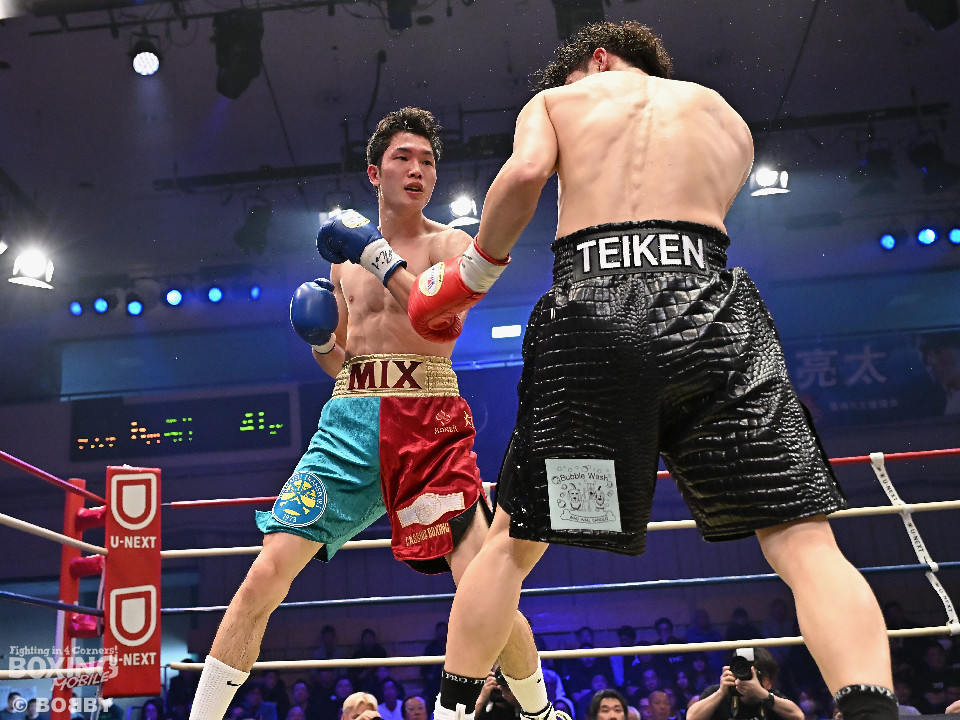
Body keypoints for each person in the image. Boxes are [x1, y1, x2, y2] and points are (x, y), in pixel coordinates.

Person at [406, 19, 898, 720]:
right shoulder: (727, 120)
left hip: (595, 320)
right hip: (714, 315)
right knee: (804, 541)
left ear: (598, 59)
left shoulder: (558, 102)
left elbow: (525, 175)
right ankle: (872, 710)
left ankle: (454, 713)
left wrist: (476, 270)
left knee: (514, 544)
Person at [187, 107, 558, 720]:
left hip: (429, 424)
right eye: (402, 158)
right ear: (373, 172)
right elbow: (347, 362)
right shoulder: (342, 263)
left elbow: (438, 322)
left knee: (481, 583)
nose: (417, 170)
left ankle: (541, 713)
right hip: (348, 424)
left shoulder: (451, 246)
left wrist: (378, 255)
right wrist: (319, 343)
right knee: (265, 574)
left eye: (427, 162)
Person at [686, 649, 802, 720]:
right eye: (744, 672)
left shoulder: (771, 698)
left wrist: (761, 693)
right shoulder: (720, 692)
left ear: (768, 682)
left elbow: (798, 716)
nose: (747, 680)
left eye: (754, 674)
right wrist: (721, 693)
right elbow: (691, 717)